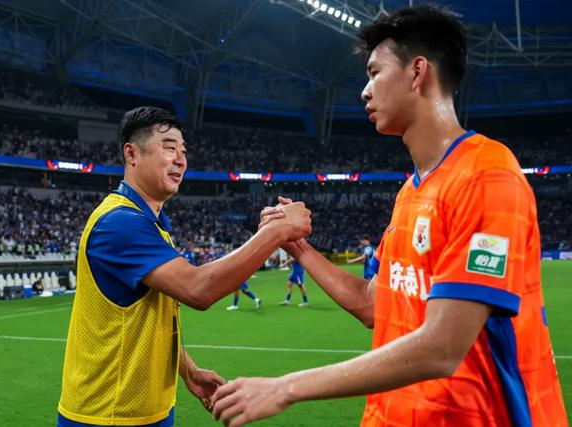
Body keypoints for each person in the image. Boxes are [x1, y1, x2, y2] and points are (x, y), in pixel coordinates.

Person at [211, 5, 568, 427]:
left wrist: (286, 387)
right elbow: (373, 304)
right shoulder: (410, 192)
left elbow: (443, 345)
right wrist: (296, 246)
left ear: (417, 72)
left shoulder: (487, 175)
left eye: (374, 73)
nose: (365, 92)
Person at [57, 106, 311, 427]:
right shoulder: (119, 223)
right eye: (169, 148)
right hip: (108, 415)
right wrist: (277, 232)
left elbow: (155, 317)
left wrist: (188, 371)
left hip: (147, 410)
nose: (180, 159)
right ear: (131, 154)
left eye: (183, 151)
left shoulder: (151, 224)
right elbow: (198, 289)